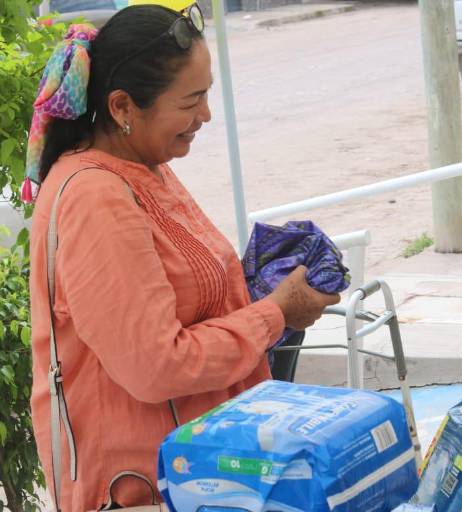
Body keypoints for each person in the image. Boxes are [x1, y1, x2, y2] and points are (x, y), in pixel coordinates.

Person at [26, 5, 338, 511]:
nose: (206, 116)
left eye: (208, 93)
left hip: (204, 476)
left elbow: (183, 299)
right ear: (123, 107)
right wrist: (275, 313)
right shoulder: (96, 197)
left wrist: (265, 285)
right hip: (142, 487)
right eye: (192, 100)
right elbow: (156, 366)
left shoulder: (144, 166)